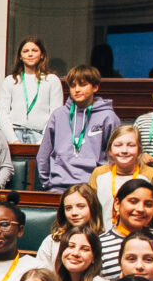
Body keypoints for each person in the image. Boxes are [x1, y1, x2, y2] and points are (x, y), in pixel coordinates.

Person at [35, 65, 118, 193]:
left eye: (82, 85)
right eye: (73, 86)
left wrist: (104, 185)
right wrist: (47, 183)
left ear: (95, 87)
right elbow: (43, 154)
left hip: (93, 188)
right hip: (58, 187)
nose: (77, 90)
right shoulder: (58, 115)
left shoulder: (108, 117)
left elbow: (115, 156)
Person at [1, 37, 63, 148]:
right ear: (20, 56)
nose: (30, 54)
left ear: (42, 55)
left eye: (34, 51)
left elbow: (56, 113)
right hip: (14, 133)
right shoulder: (10, 80)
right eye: (26, 51)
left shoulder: (52, 80)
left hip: (40, 135)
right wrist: (13, 140)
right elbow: (2, 113)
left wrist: (44, 140)